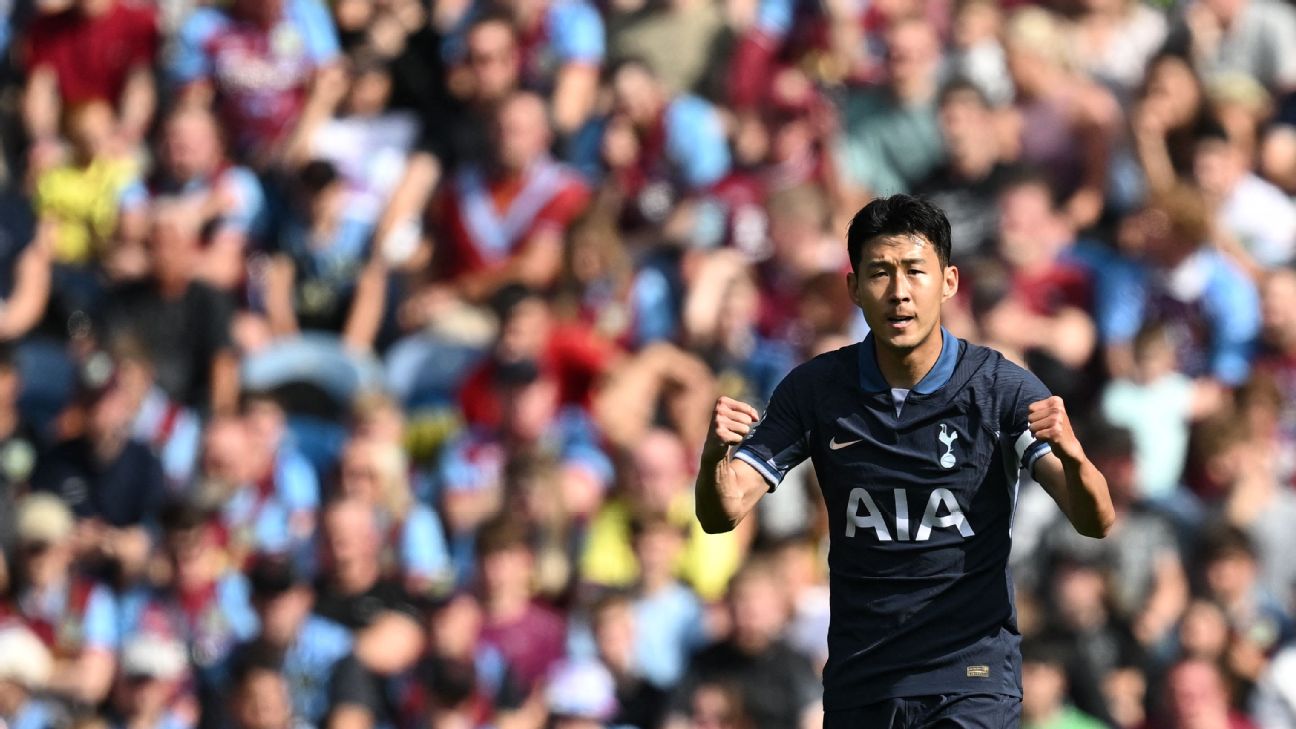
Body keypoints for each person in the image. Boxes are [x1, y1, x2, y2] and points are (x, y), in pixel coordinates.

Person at [696, 194, 1115, 727]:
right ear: (853, 288)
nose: (899, 292)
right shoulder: (816, 391)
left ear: (948, 282)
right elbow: (721, 511)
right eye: (879, 273)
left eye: (915, 271)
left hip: (969, 676)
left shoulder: (998, 387)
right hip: (862, 678)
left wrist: (1075, 458)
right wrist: (715, 457)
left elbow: (1095, 519)